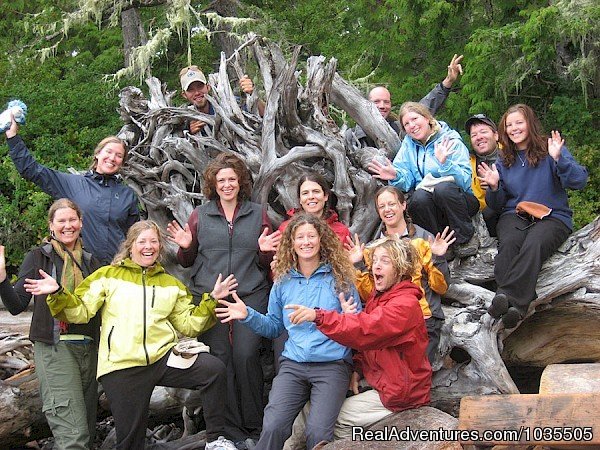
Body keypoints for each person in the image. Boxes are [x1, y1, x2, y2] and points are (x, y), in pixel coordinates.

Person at [22, 220, 239, 450]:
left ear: (160, 247)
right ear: (130, 245)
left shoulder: (170, 284)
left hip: (162, 358)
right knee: (131, 442)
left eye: (154, 241)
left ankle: (216, 440)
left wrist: (213, 299)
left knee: (213, 370)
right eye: (142, 241)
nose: (148, 246)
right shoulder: (107, 276)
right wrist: (57, 292)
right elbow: (80, 311)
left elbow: (189, 325)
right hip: (122, 365)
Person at [215, 213, 361, 450]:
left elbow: (358, 329)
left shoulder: (341, 279)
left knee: (317, 433)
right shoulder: (283, 281)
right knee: (273, 426)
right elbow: (274, 327)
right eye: (300, 237)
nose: (306, 242)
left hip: (332, 365)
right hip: (293, 364)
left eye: (311, 236)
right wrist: (247, 315)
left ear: (322, 240)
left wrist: (348, 317)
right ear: (291, 243)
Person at [166, 152, 280, 446]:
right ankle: (227, 431)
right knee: (220, 361)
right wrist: (186, 247)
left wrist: (265, 251)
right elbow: (187, 260)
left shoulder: (257, 213)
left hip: (250, 295)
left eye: (232, 179)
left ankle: (254, 428)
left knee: (245, 356)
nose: (227, 185)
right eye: (221, 180)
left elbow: (265, 262)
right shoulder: (200, 215)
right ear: (213, 185)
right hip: (210, 296)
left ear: (240, 182)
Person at [284, 236, 431, 446]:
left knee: (335, 418)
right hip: (381, 381)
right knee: (309, 409)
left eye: (385, 261)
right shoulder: (381, 296)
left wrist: (319, 316)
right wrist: (359, 369)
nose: (376, 266)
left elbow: (365, 330)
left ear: (400, 269)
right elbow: (372, 347)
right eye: (375, 261)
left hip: (401, 394)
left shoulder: (404, 305)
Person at [0, 199, 101, 450]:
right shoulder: (37, 258)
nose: (68, 226)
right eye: (61, 221)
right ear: (51, 226)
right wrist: (2, 279)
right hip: (56, 348)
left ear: (81, 223)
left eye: (72, 220)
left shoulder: (91, 262)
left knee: (87, 429)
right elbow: (16, 306)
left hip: (89, 350)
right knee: (72, 435)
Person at [478, 104, 588, 329]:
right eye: (509, 125)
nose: (514, 128)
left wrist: (559, 159)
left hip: (552, 215)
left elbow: (579, 181)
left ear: (530, 123)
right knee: (508, 245)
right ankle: (516, 309)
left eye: (519, 123)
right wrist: (495, 186)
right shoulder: (503, 159)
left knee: (534, 244)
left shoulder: (550, 149)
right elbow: (496, 206)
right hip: (515, 214)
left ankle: (507, 298)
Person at [5, 118, 139, 265]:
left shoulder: (128, 195)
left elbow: (134, 236)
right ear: (97, 154)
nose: (112, 158)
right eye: (108, 152)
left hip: (116, 270)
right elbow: (32, 170)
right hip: (80, 268)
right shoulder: (73, 183)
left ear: (122, 162)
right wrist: (12, 137)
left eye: (119, 156)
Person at [348, 186, 453, 363]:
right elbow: (369, 294)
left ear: (403, 205)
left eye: (392, 204)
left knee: (414, 374)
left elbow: (441, 287)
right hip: (388, 321)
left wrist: (437, 256)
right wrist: (358, 263)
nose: (387, 209)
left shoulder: (423, 239)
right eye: (382, 206)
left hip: (422, 319)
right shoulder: (373, 247)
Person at [368, 101, 480, 259]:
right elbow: (407, 180)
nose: (412, 125)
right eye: (406, 123)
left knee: (443, 189)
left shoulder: (449, 139)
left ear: (427, 118)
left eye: (414, 119)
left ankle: (466, 240)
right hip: (431, 206)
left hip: (459, 201)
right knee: (418, 198)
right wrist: (396, 176)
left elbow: (464, 182)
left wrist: (446, 164)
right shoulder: (409, 146)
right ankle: (439, 243)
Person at [346, 54, 464, 150]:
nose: (382, 106)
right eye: (376, 101)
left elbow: (423, 108)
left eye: (386, 102)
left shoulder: (400, 129)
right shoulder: (352, 136)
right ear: (367, 104)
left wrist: (448, 81)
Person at [180, 65, 265, 136]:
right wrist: (190, 133)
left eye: (200, 86)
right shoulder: (185, 118)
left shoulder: (228, 104)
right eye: (190, 89)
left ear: (208, 87)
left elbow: (264, 112)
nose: (197, 92)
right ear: (184, 95)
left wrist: (252, 94)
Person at [278, 172, 350, 243]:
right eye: (305, 193)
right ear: (300, 199)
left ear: (325, 196)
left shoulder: (341, 231)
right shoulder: (286, 228)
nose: (311, 197)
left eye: (316, 191)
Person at [465, 114, 501, 237]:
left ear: (496, 135)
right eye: (473, 135)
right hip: (479, 213)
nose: (479, 137)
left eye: (483, 132)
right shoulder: (467, 161)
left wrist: (498, 184)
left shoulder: (511, 154)